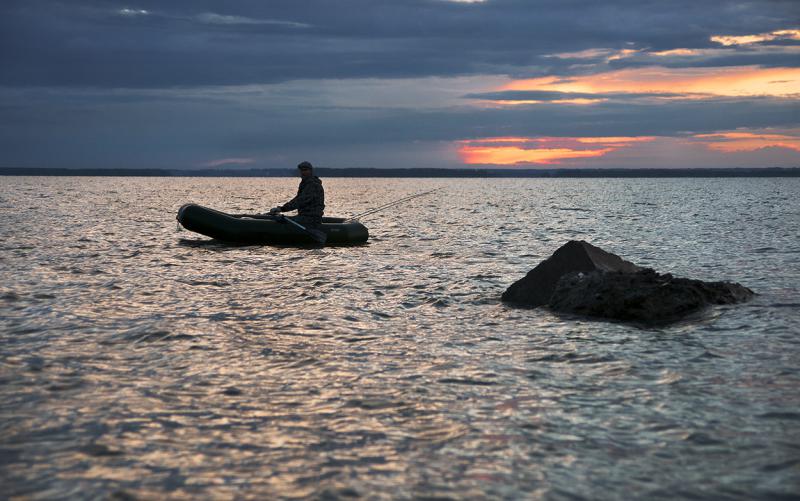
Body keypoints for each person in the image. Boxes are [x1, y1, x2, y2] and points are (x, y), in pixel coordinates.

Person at [268, 161, 325, 229]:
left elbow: (300, 201)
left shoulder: (313, 185)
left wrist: (282, 209)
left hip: (311, 219)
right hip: (304, 216)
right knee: (280, 218)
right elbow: (298, 199)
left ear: (311, 171)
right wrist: (281, 208)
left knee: (281, 220)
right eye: (301, 170)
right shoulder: (305, 184)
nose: (303, 172)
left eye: (305, 170)